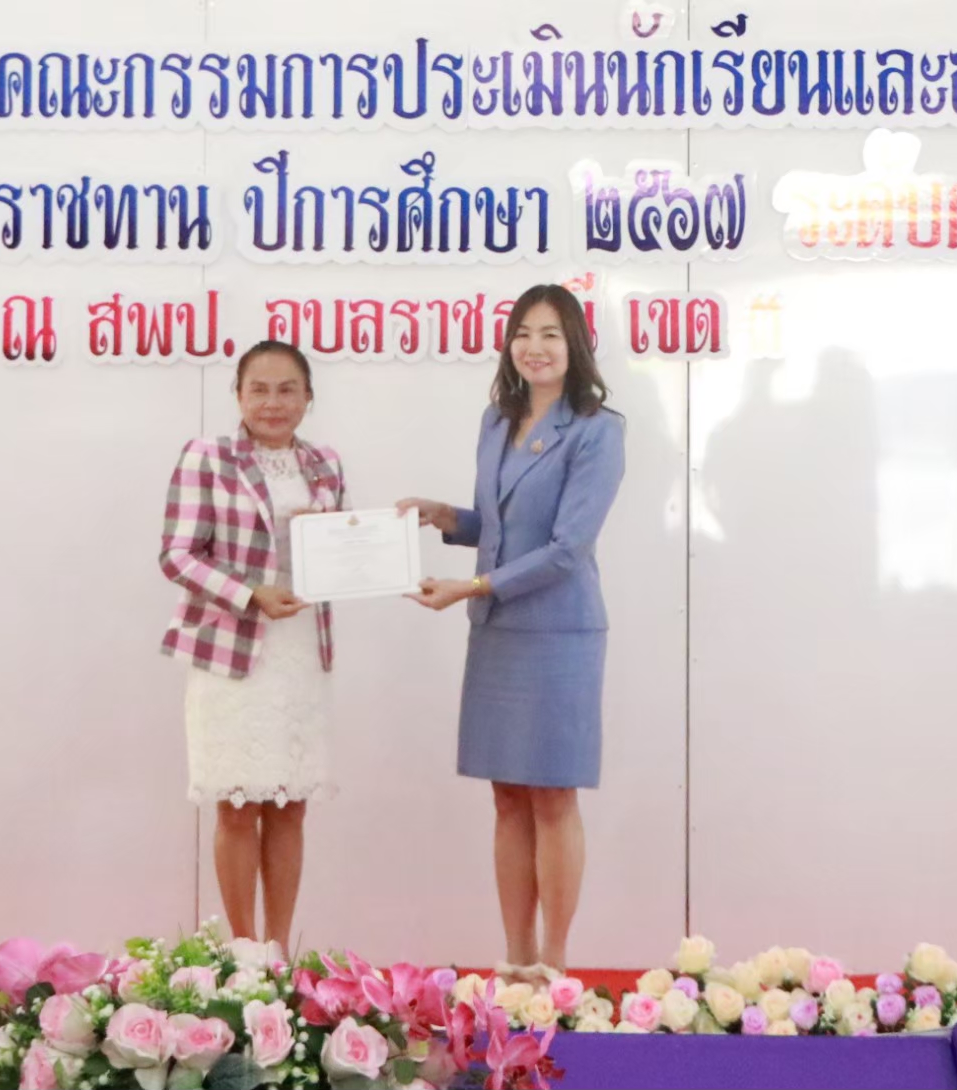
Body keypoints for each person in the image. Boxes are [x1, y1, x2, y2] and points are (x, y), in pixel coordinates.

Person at [397, 283, 626, 982]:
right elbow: (498, 527)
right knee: (506, 796)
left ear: (576, 343)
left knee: (552, 794)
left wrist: (469, 586)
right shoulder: (497, 420)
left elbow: (566, 549)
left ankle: (554, 964)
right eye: (523, 333)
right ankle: (517, 958)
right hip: (497, 629)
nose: (535, 347)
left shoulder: (597, 429)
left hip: (559, 633)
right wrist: (446, 516)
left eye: (550, 333)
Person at [159, 340, 345, 951]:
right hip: (232, 654)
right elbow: (178, 555)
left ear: (308, 396)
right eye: (259, 389)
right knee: (237, 806)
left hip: (301, 652)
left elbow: (339, 554)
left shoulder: (325, 463)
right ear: (238, 396)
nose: (273, 402)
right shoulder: (207, 457)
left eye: (287, 389)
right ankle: (244, 953)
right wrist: (249, 594)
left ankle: (279, 948)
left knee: (290, 805)